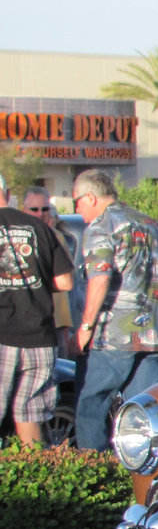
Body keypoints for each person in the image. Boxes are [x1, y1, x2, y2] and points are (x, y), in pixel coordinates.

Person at [72, 169, 158, 451]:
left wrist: (85, 326)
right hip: (155, 333)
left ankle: (92, 475)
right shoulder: (151, 224)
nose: (77, 210)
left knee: (91, 405)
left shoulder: (101, 226)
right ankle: (139, 474)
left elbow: (100, 278)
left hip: (114, 335)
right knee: (141, 413)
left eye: (77, 202)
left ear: (90, 197)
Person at [0, 182, 73, 445]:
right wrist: (36, 283)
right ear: (8, 194)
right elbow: (66, 282)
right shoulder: (40, 227)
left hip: (3, 335)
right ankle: (32, 471)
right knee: (29, 414)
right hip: (40, 338)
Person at [19, 186, 75, 359]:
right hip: (23, 324)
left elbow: (66, 284)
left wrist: (65, 326)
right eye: (34, 209)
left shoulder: (56, 237)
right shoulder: (16, 238)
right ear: (24, 210)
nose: (40, 214)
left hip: (55, 323)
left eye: (44, 209)